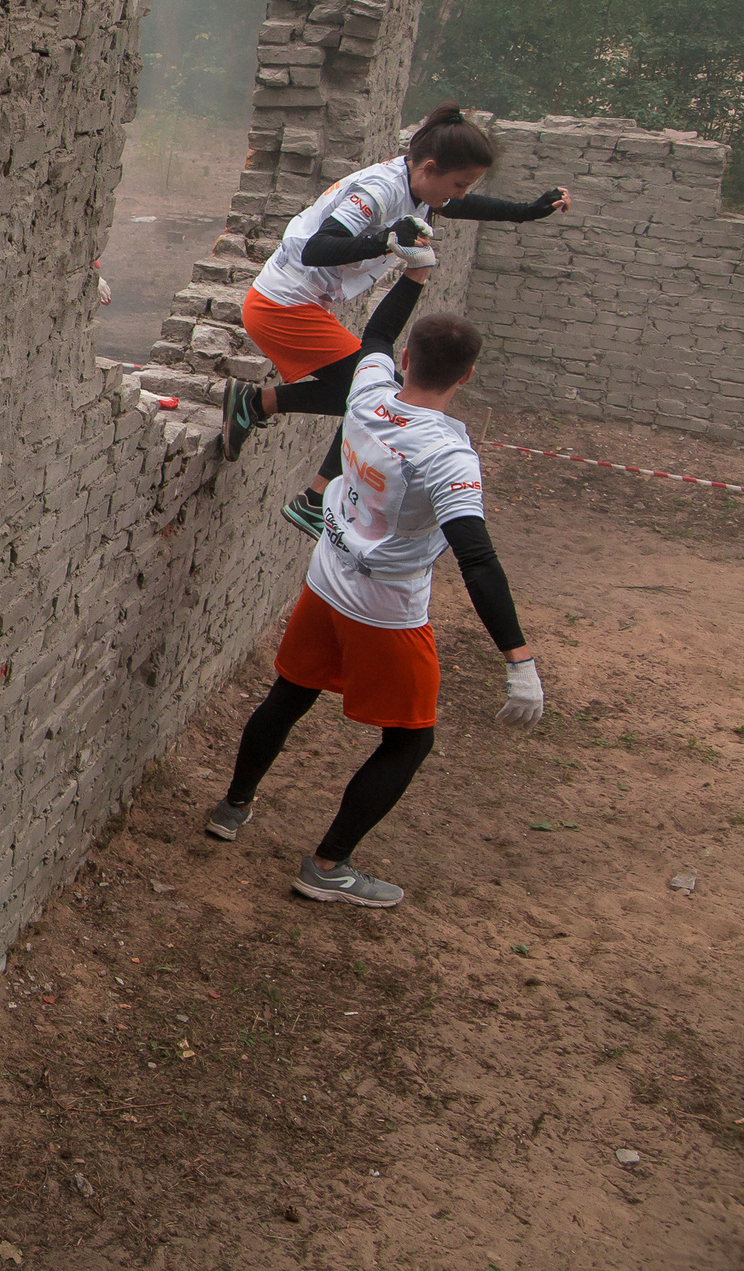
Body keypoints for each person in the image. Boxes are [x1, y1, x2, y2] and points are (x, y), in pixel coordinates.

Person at [204, 310, 544, 909]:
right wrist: (517, 658)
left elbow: (379, 334)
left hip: (325, 578)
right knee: (410, 741)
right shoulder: (446, 456)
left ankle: (232, 807)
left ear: (407, 361)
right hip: (386, 609)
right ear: (466, 377)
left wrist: (411, 275)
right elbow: (478, 559)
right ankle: (328, 865)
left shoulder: (367, 389)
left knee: (289, 694)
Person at [219, 103, 570, 535]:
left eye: (467, 185)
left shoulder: (419, 187)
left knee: (360, 394)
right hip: (281, 307)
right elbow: (317, 249)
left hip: (299, 305)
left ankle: (256, 404)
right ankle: (313, 499)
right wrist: (383, 239)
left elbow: (461, 206)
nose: (459, 194)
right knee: (368, 395)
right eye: (458, 183)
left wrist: (526, 211)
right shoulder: (379, 192)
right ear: (429, 167)